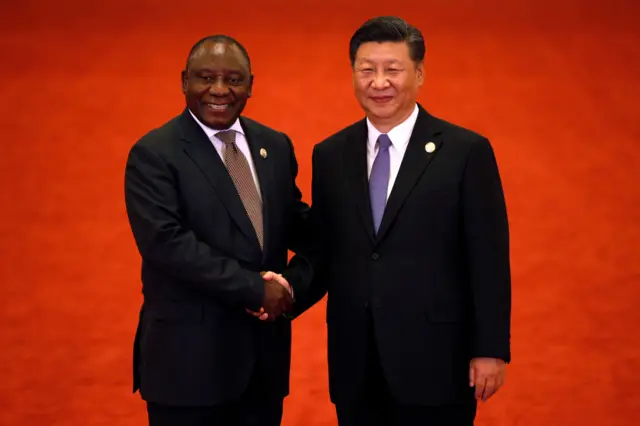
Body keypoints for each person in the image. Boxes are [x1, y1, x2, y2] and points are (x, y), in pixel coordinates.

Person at [281, 16, 512, 426]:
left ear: (419, 74)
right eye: (367, 70)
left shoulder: (465, 152)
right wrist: (281, 293)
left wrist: (490, 348)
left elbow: (488, 257)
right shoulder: (330, 154)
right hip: (357, 364)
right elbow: (329, 249)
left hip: (438, 362)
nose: (379, 82)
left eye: (393, 69)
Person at [124, 34, 309, 426]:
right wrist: (256, 289)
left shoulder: (274, 146)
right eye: (205, 78)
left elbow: (294, 224)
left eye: (234, 80)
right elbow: (167, 245)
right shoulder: (154, 154)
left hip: (262, 369)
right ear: (184, 81)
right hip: (187, 371)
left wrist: (292, 287)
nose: (220, 91)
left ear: (251, 85)